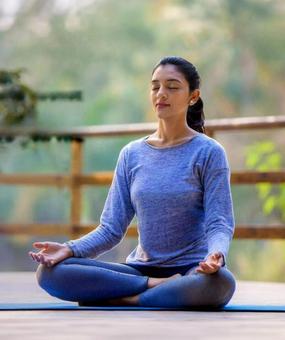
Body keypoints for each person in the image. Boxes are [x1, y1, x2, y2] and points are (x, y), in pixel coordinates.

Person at [29, 56, 236, 309]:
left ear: (193, 96)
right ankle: (155, 287)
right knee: (50, 272)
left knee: (221, 283)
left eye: (172, 87)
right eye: (155, 86)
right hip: (140, 270)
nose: (161, 94)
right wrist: (69, 249)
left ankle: (126, 298)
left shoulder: (208, 152)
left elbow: (220, 223)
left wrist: (217, 255)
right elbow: (110, 229)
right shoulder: (132, 154)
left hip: (191, 271)